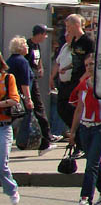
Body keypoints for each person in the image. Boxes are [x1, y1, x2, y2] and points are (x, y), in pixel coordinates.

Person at [68, 53, 101, 205]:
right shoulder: (83, 86)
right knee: (94, 163)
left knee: (91, 164)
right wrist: (72, 132)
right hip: (85, 128)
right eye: (87, 65)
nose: (89, 67)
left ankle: (85, 198)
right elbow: (79, 108)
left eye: (92, 64)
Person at [58, 14, 94, 158]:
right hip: (71, 79)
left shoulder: (87, 41)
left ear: (75, 25)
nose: (67, 30)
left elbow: (91, 61)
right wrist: (66, 67)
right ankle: (80, 142)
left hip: (81, 81)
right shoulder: (74, 41)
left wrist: (84, 78)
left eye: (68, 26)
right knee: (62, 108)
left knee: (76, 110)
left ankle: (81, 144)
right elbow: (75, 59)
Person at [20, 25, 56, 153]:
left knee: (37, 107)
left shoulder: (37, 46)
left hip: (34, 78)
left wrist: (41, 68)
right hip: (28, 80)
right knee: (36, 107)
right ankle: (46, 137)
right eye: (45, 34)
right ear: (39, 34)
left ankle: (45, 136)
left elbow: (38, 59)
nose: (46, 37)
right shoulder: (28, 45)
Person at [0, 55, 22, 205]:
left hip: (4, 126)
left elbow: (15, 99)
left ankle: (11, 189)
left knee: (1, 163)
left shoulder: (7, 78)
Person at [7, 37, 35, 149]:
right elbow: (25, 82)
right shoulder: (22, 61)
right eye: (25, 45)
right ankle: (24, 141)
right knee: (20, 119)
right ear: (20, 47)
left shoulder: (10, 60)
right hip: (19, 96)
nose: (27, 47)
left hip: (11, 95)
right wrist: (28, 99)